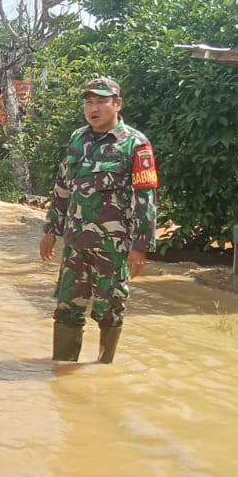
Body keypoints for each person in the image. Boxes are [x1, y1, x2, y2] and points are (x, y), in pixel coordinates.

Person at [38, 77, 158, 364]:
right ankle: (63, 371)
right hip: (76, 244)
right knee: (67, 308)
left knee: (110, 310)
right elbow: (63, 187)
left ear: (117, 104)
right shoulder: (78, 139)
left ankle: (104, 370)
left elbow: (146, 198)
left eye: (101, 101)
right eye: (89, 102)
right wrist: (51, 230)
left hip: (113, 248)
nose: (94, 108)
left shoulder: (135, 144)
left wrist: (141, 246)